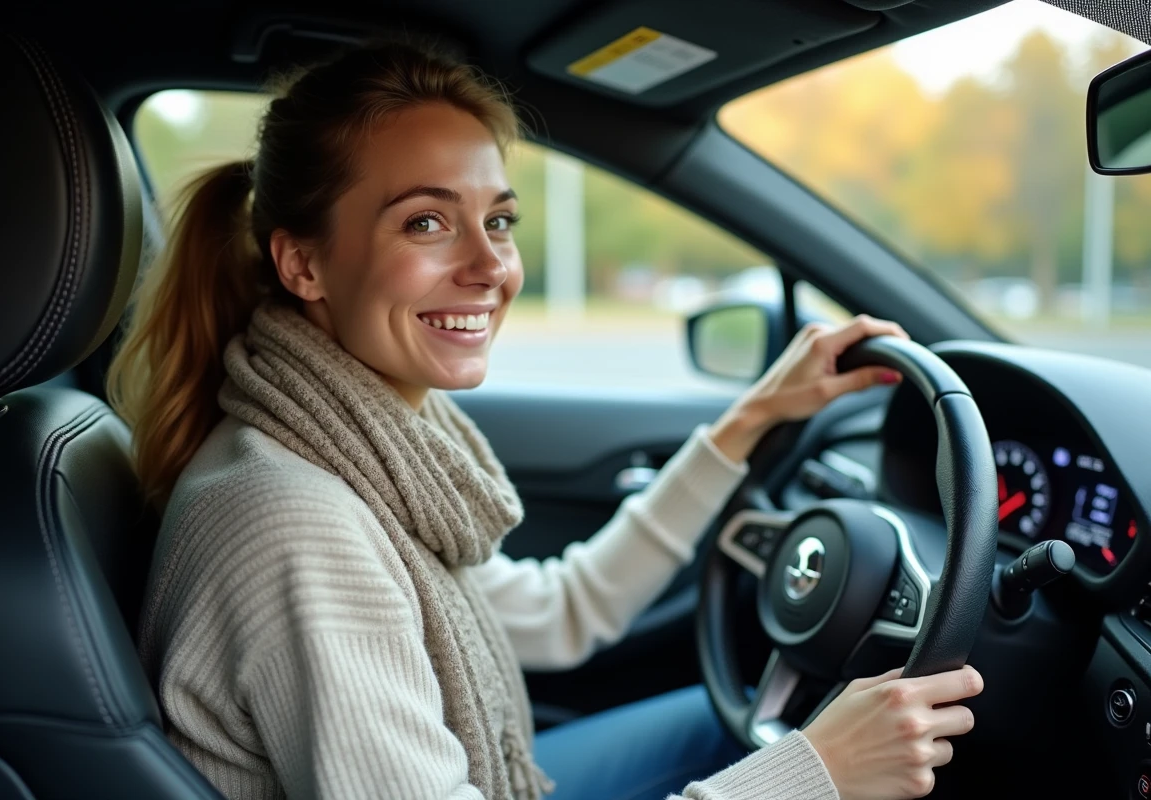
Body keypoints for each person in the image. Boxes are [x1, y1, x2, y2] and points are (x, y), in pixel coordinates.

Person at [111, 40, 983, 800]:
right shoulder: (298, 524)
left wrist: (750, 418)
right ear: (303, 264)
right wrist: (815, 774)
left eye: (497, 220)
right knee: (786, 741)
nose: (491, 266)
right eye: (427, 222)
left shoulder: (360, 447)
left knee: (736, 719)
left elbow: (564, 613)